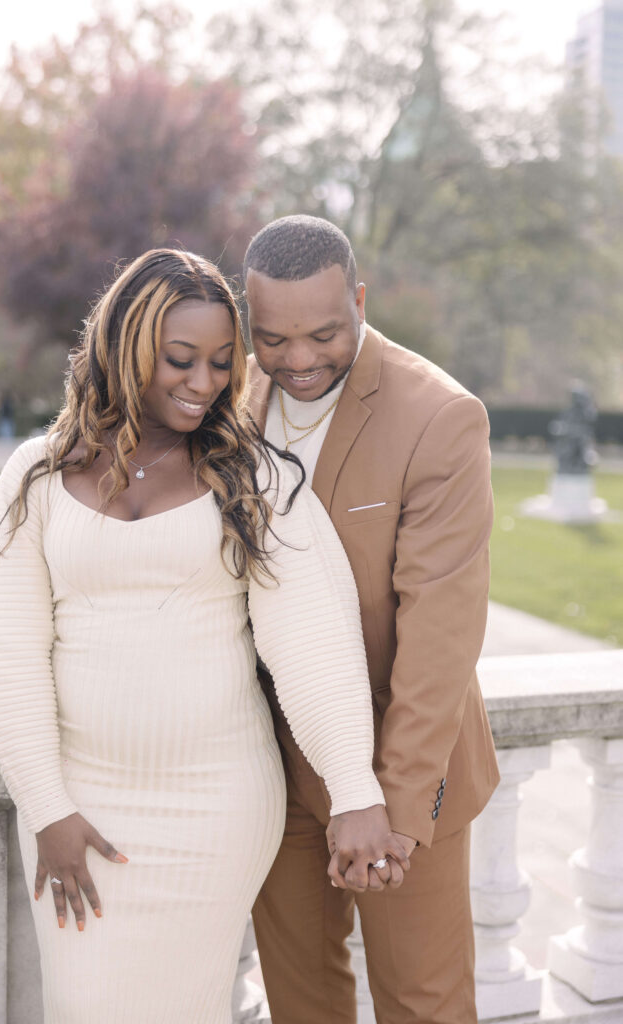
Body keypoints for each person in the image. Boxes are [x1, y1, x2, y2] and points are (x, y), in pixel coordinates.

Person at [0, 248, 402, 1024]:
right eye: (179, 360)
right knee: (83, 1008)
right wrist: (48, 812)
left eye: (217, 363)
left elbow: (312, 650)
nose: (202, 384)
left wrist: (355, 791)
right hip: (80, 808)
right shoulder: (36, 477)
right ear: (124, 349)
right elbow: (9, 658)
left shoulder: (255, 482)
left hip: (216, 810)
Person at [244, 215, 500, 1024]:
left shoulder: (439, 417)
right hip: (270, 767)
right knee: (300, 1004)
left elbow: (440, 635)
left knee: (422, 1006)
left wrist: (391, 805)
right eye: (272, 340)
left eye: (322, 333)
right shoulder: (233, 393)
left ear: (358, 299)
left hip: (397, 768)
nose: (297, 360)